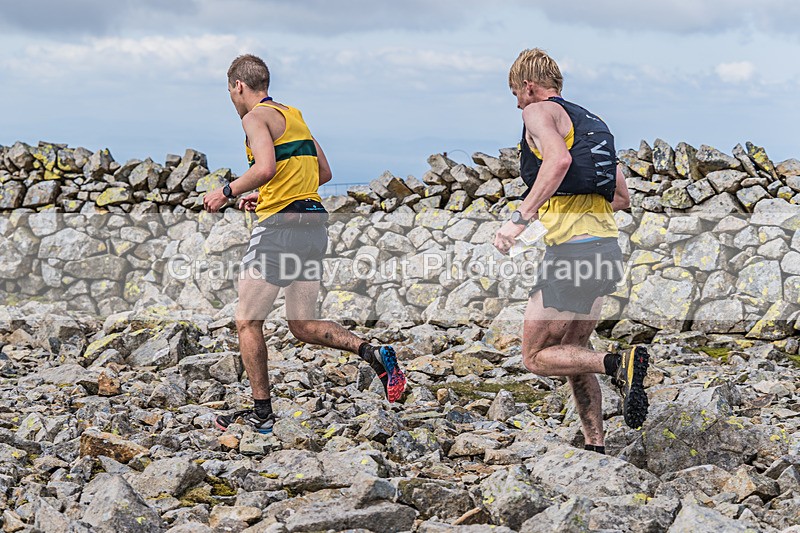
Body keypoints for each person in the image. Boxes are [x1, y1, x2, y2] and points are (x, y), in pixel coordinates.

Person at [203, 54, 406, 434]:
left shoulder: (254, 118)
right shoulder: (294, 115)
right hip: (313, 225)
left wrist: (226, 192)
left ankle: (261, 415)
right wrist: (265, 196)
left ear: (238, 87)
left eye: (230, 92)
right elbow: (322, 172)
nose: (232, 99)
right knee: (302, 322)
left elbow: (264, 169)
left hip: (280, 230)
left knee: (247, 321)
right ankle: (373, 354)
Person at [493, 48, 649, 453]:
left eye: (515, 93)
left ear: (529, 86)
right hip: (604, 250)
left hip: (572, 254)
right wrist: (563, 205)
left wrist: (521, 218)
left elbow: (557, 161)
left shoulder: (538, 112)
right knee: (574, 354)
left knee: (536, 356)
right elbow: (621, 197)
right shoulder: (594, 125)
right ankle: (595, 444)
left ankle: (619, 364)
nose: (516, 104)